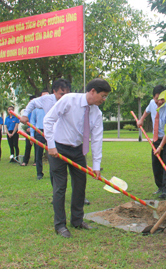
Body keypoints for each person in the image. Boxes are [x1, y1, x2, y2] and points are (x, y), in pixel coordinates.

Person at [43, 78, 111, 238]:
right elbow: (48, 120)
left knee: (80, 185)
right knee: (60, 186)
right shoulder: (69, 100)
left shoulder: (97, 113)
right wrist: (51, 145)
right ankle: (60, 225)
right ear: (92, 91)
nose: (104, 99)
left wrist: (96, 165)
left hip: (78, 151)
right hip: (59, 148)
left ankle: (77, 220)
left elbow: (96, 139)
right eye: (103, 95)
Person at [136, 85, 166, 199]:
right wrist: (141, 119)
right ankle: (160, 186)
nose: (159, 101)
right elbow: (147, 110)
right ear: (153, 98)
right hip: (157, 138)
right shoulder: (152, 103)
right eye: (157, 99)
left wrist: (160, 147)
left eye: (162, 99)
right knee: (156, 162)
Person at [30, 90, 49, 180]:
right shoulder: (36, 109)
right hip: (39, 132)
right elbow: (32, 122)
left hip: (50, 132)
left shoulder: (52, 107)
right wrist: (32, 135)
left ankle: (53, 172)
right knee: (38, 154)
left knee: (53, 153)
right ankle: (39, 173)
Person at [21, 95, 36, 166]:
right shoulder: (27, 112)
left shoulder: (37, 111)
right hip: (28, 131)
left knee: (37, 147)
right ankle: (25, 161)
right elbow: (25, 121)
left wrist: (33, 128)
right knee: (27, 146)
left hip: (36, 130)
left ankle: (36, 161)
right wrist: (27, 128)